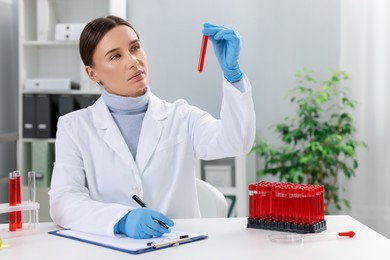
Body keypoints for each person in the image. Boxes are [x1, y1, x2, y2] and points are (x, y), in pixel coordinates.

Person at [49, 15, 256, 239]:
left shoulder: (181, 116)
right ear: (92, 73)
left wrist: (233, 76)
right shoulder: (75, 127)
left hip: (181, 247)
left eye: (135, 48)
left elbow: (236, 142)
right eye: (115, 56)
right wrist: (121, 220)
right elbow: (64, 201)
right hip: (112, 248)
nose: (132, 61)